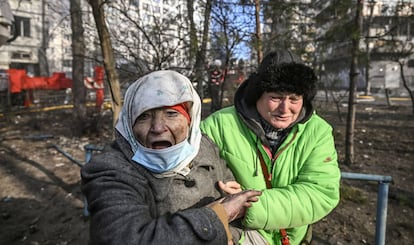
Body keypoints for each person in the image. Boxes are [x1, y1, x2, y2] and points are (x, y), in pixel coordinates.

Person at [81, 70, 262, 245]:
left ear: (190, 120)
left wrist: (231, 233)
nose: (158, 127)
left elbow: (235, 202)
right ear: (129, 125)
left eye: (171, 113)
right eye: (144, 116)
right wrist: (219, 215)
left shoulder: (203, 146)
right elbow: (125, 238)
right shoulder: (109, 170)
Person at [201, 50, 341, 245]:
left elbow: (321, 193)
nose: (285, 109)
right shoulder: (219, 125)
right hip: (239, 235)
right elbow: (195, 180)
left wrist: (246, 205)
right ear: (257, 94)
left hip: (293, 239)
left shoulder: (318, 132)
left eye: (294, 99)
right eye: (276, 97)